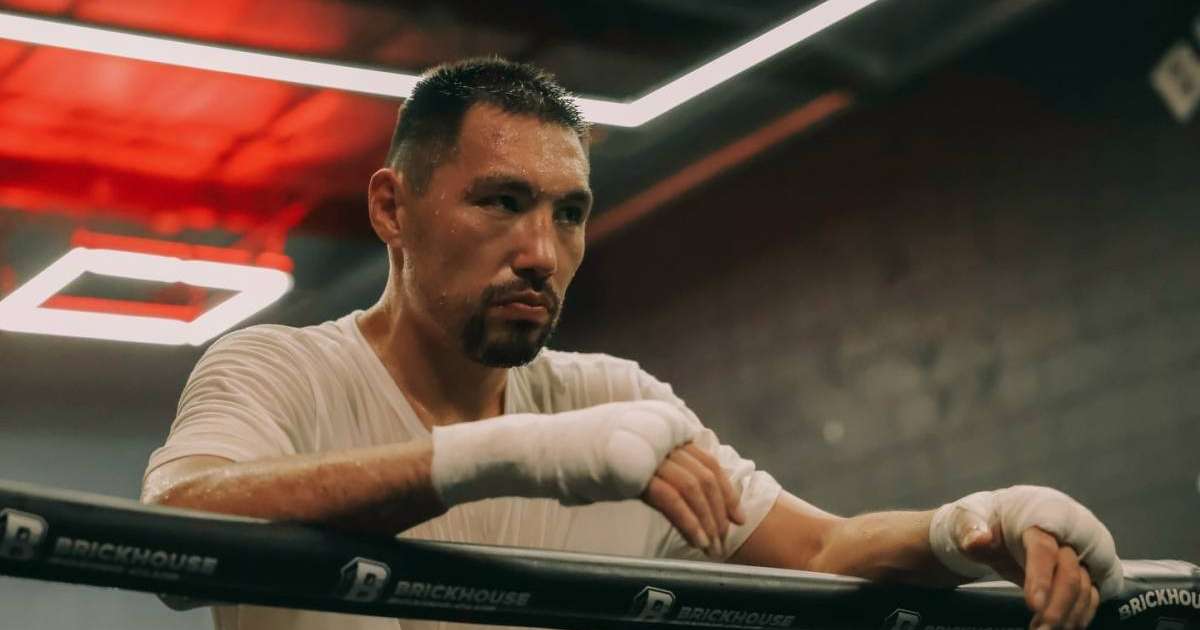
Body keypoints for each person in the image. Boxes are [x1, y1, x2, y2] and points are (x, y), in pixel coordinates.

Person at [142, 57, 1120, 630]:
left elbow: (819, 547)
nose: (541, 251)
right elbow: (172, 527)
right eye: (501, 202)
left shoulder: (614, 403)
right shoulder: (278, 371)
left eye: (569, 213)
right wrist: (506, 457)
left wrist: (974, 525)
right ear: (393, 207)